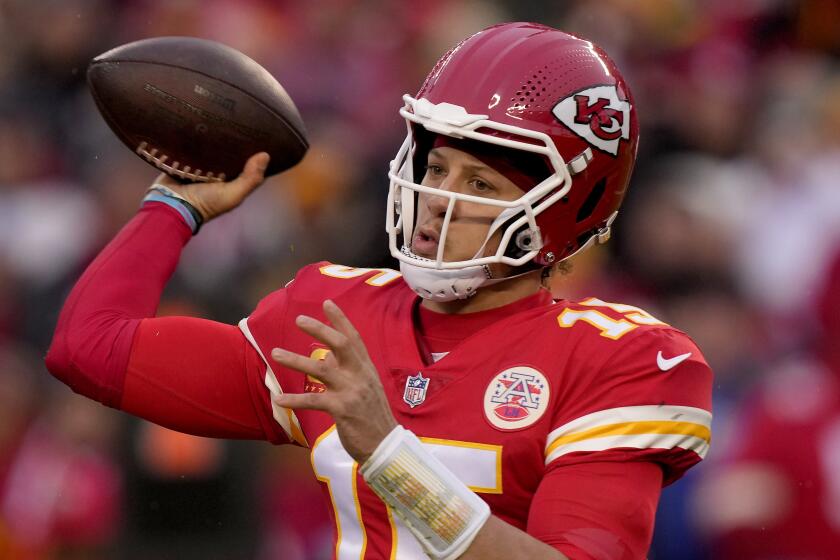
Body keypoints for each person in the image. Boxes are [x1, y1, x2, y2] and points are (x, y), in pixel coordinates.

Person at [46, 22, 713, 560]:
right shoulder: (335, 316)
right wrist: (174, 205)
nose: (435, 199)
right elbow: (88, 349)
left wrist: (392, 456)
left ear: (564, 211)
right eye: (437, 165)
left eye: (479, 185)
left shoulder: (620, 361)